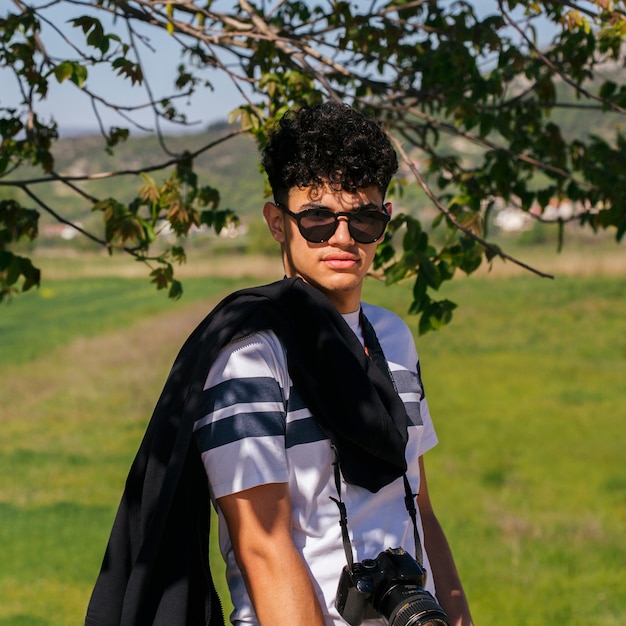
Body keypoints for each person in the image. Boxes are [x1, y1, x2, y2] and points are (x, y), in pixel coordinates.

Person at [85, 101, 473, 626]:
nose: (342, 237)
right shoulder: (250, 357)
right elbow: (264, 547)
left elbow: (420, 511)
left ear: (386, 221)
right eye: (316, 219)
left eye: (363, 218)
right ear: (277, 222)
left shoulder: (394, 339)